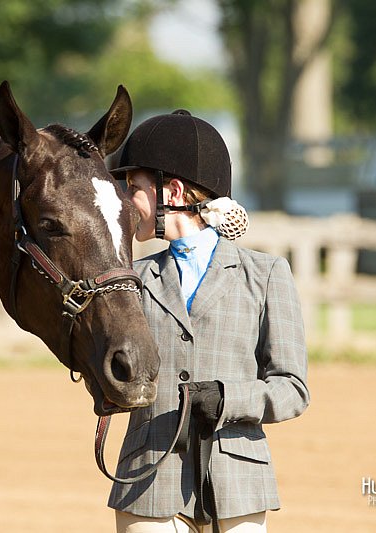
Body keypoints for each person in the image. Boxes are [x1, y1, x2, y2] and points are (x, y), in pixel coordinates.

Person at [107, 110, 310, 533]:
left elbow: (292, 389)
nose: (126, 202)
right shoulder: (133, 279)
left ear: (174, 191)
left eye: (134, 188)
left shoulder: (266, 274)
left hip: (237, 479)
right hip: (148, 477)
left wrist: (228, 399)